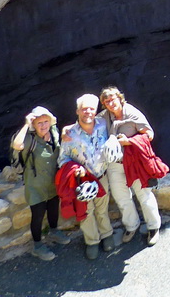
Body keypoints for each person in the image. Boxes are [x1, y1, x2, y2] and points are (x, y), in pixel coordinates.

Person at [99, 86, 164, 246]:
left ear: (120, 98)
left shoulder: (132, 113)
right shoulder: (103, 117)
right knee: (121, 196)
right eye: (107, 101)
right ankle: (131, 225)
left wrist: (129, 142)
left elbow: (149, 134)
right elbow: (88, 124)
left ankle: (153, 227)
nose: (110, 103)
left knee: (144, 195)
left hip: (134, 162)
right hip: (115, 163)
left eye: (113, 99)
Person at [58, 94, 115, 260]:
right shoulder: (70, 134)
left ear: (95, 110)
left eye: (91, 109)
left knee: (102, 208)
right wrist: (75, 169)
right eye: (84, 109)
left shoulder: (103, 124)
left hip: (101, 175)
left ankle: (107, 234)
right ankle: (92, 241)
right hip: (83, 181)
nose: (88, 112)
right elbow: (63, 159)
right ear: (77, 111)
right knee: (86, 212)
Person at [10, 107, 68, 261]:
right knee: (38, 215)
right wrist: (26, 124)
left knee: (53, 208)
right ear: (34, 125)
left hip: (52, 181)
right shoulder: (30, 139)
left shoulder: (54, 133)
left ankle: (54, 231)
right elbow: (17, 145)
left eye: (45, 122)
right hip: (35, 185)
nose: (43, 125)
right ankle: (37, 245)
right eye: (39, 123)